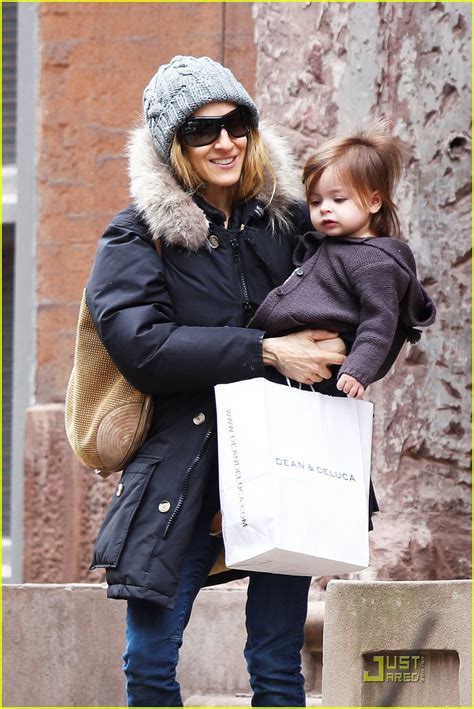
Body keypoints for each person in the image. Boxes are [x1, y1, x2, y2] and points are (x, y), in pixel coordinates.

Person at [87, 55, 347, 707]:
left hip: (284, 460)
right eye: (201, 131)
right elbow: (141, 346)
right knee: (148, 663)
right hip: (180, 470)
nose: (224, 141)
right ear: (172, 144)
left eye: (236, 123)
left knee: (277, 665)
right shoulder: (135, 236)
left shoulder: (291, 224)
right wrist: (266, 351)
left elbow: (358, 297)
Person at [250, 119, 436, 398]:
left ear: (375, 201)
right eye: (316, 202)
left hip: (327, 376)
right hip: (291, 359)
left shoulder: (375, 262)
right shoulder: (329, 243)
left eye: (338, 200)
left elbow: (379, 321)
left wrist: (358, 369)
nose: (325, 209)